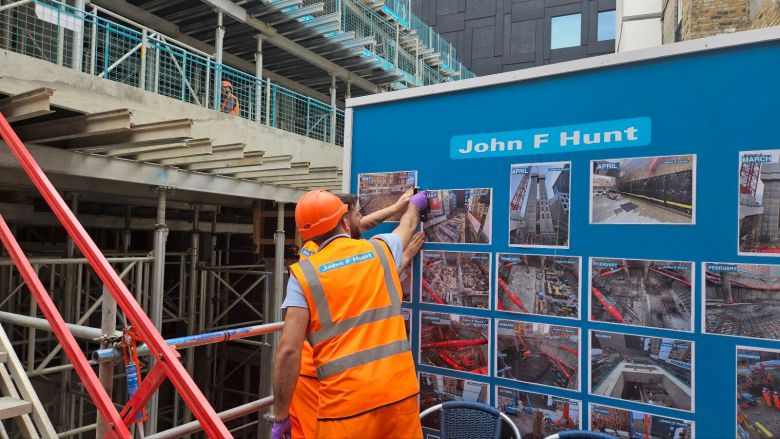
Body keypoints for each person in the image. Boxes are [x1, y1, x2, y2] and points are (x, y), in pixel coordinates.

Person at [272, 189, 427, 439]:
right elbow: (407, 226)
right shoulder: (381, 250)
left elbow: (289, 350)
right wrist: (415, 206)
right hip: (399, 395)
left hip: (345, 407)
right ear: (345, 222)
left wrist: (281, 416)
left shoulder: (304, 274)